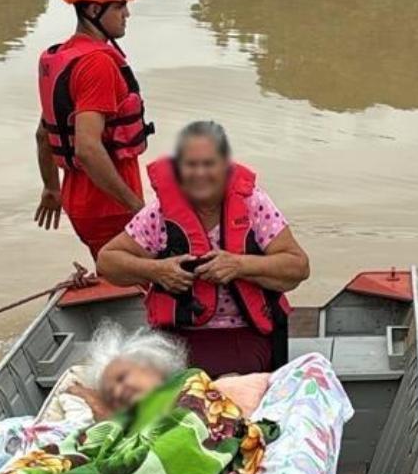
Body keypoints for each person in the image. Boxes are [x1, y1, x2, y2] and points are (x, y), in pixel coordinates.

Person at [95, 121, 309, 375]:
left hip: (243, 329)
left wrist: (239, 265)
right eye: (191, 165)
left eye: (209, 164)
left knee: (232, 380)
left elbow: (299, 266)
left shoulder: (253, 204)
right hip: (177, 333)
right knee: (164, 381)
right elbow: (106, 261)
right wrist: (157, 270)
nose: (200, 174)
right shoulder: (159, 213)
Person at [34, 0, 154, 260]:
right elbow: (87, 149)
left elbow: (43, 134)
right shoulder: (97, 63)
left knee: (118, 272)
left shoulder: (64, 57)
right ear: (92, 9)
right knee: (146, 276)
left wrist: (52, 188)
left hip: (81, 201)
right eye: (119, 6)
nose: (127, 13)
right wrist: (137, 208)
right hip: (110, 207)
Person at [61, 321, 272, 421]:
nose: (117, 390)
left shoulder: (200, 389)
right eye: (109, 392)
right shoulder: (126, 426)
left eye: (123, 377)